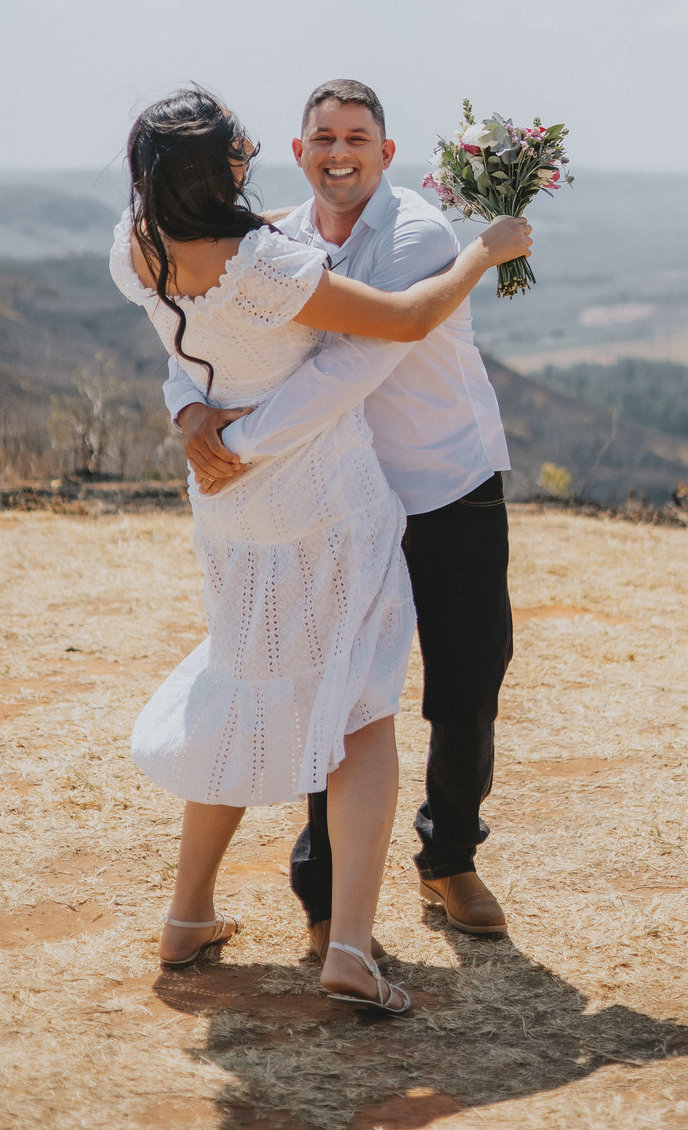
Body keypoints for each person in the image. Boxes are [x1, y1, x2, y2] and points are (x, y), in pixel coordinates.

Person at [110, 87, 529, 1016]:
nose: (339, 152)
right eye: (321, 139)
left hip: (434, 482)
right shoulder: (267, 244)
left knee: (459, 680)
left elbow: (323, 358)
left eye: (358, 138)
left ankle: (445, 859)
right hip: (328, 502)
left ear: (387, 151)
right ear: (295, 153)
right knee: (342, 697)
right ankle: (332, 913)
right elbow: (244, 357)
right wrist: (195, 417)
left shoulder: (411, 234)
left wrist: (222, 440)